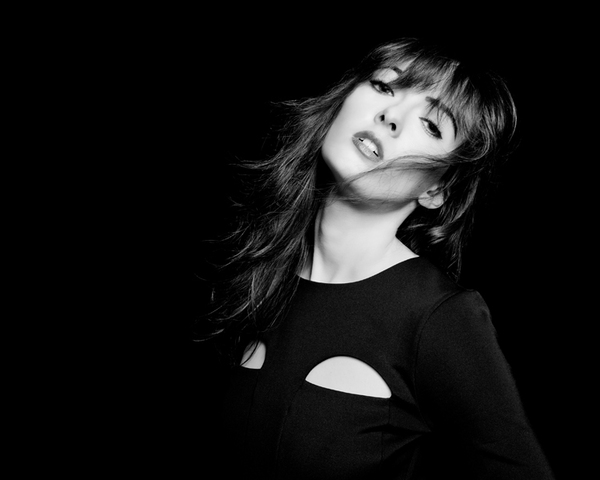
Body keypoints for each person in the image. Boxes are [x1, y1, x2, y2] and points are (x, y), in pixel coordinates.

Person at [201, 37, 554, 479]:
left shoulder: (440, 318)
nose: (390, 116)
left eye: (431, 125)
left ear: (437, 188)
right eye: (385, 87)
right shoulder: (261, 277)